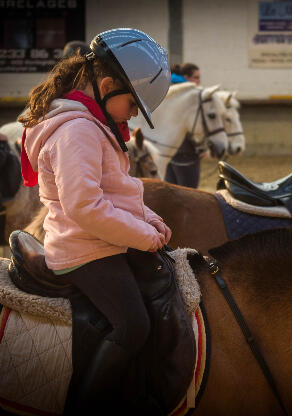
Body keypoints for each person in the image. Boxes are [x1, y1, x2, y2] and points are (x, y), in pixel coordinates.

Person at [18, 28, 185, 411]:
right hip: (83, 251)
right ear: (108, 85)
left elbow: (117, 189)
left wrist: (150, 218)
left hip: (100, 240)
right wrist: (143, 236)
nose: (131, 115)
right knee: (133, 325)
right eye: (132, 105)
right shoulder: (77, 131)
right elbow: (86, 207)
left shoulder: (93, 126)